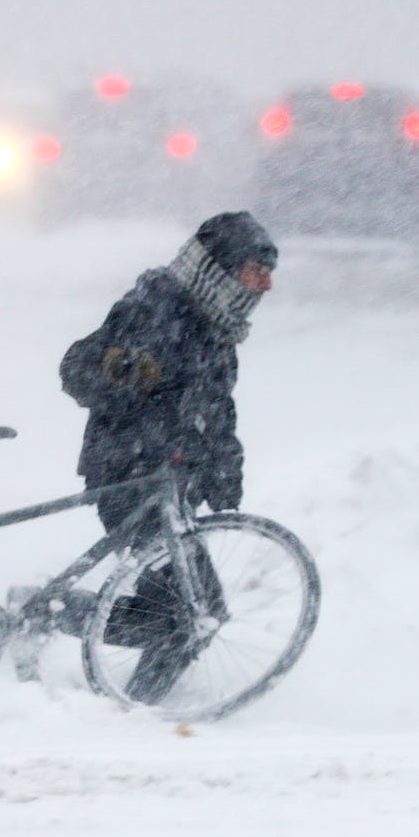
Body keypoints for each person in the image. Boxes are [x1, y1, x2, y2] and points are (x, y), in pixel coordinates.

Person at [56, 210, 278, 704]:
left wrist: (224, 472)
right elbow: (77, 368)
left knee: (181, 614)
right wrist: (125, 375)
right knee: (192, 616)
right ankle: (136, 711)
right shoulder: (158, 306)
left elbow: (215, 408)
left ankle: (56, 621)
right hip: (129, 477)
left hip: (168, 482)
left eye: (269, 273)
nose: (266, 285)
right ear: (221, 267)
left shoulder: (217, 326)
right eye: (256, 271)